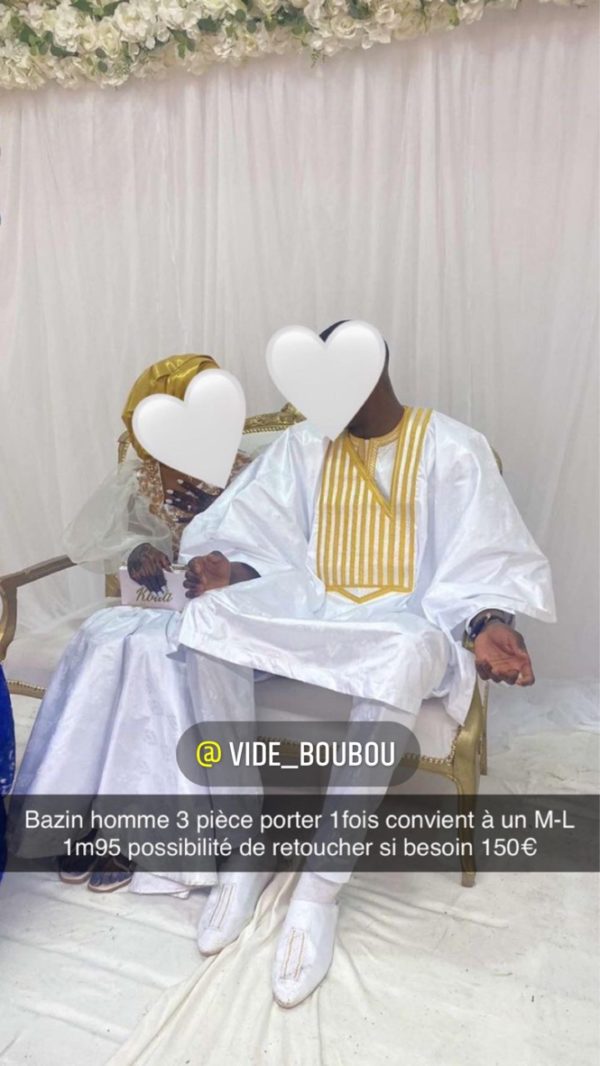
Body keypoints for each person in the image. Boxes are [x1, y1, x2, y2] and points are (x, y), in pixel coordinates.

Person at [13, 322, 554, 1006]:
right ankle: (245, 846)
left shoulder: (454, 446)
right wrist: (231, 570)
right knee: (210, 621)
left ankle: (319, 891)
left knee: (400, 652)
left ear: (372, 372)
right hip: (308, 610)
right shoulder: (303, 445)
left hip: (403, 623)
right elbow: (257, 540)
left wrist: (489, 622)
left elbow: (486, 557)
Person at [13, 355, 251, 894]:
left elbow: (272, 550)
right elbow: (99, 540)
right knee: (99, 640)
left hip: (217, 606)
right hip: (150, 603)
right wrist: (138, 550)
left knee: (155, 657)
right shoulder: (143, 475)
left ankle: (131, 834)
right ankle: (76, 818)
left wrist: (221, 565)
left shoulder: (248, 472)